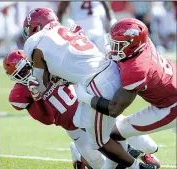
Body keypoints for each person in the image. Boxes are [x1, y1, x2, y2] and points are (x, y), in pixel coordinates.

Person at [22, 8, 159, 169]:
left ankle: (137, 165)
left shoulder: (35, 41)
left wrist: (43, 84)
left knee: (100, 142)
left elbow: (42, 83)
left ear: (36, 27)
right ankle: (135, 150)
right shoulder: (66, 29)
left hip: (97, 82)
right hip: (111, 70)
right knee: (81, 119)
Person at [3, 50, 160, 169]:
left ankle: (139, 151)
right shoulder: (21, 93)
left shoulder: (50, 65)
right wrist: (36, 95)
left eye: (27, 68)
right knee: (102, 166)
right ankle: (80, 154)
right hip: (74, 129)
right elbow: (47, 119)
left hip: (92, 112)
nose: (27, 74)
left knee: (150, 145)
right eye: (21, 74)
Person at [75, 18, 177, 145]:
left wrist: (84, 97)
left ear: (133, 44)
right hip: (171, 86)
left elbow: (114, 109)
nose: (113, 48)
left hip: (171, 107)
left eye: (119, 44)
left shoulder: (135, 69)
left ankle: (142, 154)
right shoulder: (143, 43)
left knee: (114, 133)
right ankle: (143, 153)